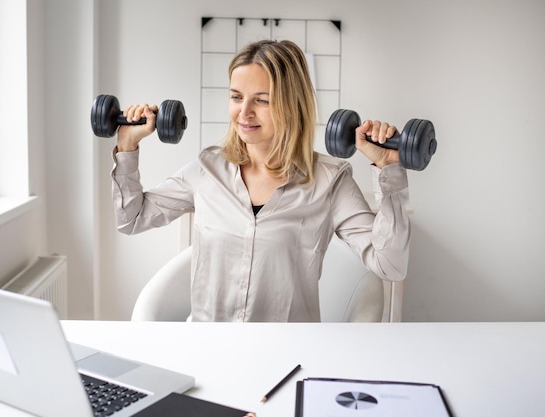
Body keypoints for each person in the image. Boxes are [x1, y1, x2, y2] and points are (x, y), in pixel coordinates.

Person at [111, 39, 410, 322]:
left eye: (262, 100)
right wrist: (127, 145)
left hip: (287, 354)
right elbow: (131, 219)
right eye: (236, 97)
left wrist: (388, 170)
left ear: (292, 105)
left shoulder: (330, 181)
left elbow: (390, 264)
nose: (244, 113)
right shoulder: (207, 169)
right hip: (209, 347)